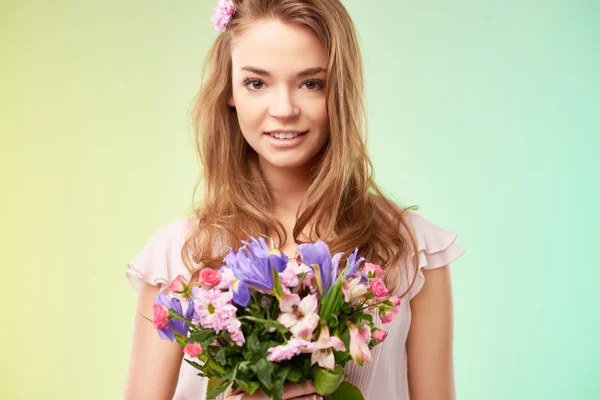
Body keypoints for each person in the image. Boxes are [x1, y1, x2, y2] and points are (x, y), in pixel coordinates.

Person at [123, 0, 465, 399]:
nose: (283, 109)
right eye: (256, 83)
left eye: (311, 83)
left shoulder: (411, 249)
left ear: (340, 89)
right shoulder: (177, 255)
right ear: (229, 90)